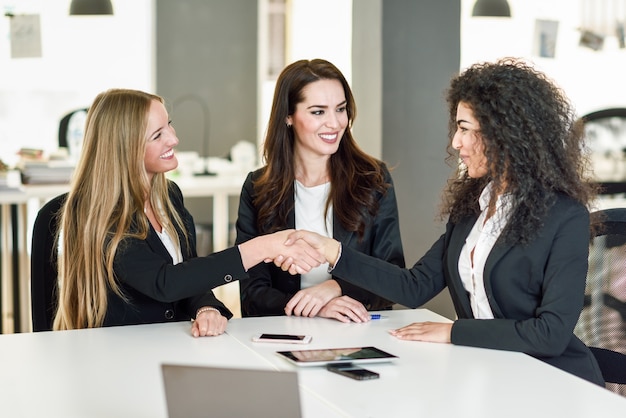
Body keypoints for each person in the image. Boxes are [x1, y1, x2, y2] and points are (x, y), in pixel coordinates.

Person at [281, 58, 605, 385]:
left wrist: (453, 331)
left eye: (464, 129)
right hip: (488, 371)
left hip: (554, 381)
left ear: (503, 134)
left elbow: (549, 334)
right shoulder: (472, 208)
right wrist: (334, 252)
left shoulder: (565, 217)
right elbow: (414, 287)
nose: (456, 143)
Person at [52, 88, 323, 337]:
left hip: (174, 345)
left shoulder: (168, 197)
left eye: (168, 124)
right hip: (123, 353)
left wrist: (206, 308)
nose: (174, 138)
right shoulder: (104, 215)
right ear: (125, 149)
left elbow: (189, 275)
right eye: (158, 135)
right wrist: (263, 247)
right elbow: (165, 282)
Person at [235, 59, 405, 322]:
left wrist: (333, 289)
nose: (335, 123)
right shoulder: (258, 188)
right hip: (287, 332)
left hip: (358, 331)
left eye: (340, 109)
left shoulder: (372, 179)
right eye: (318, 112)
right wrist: (313, 307)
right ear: (288, 116)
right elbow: (251, 293)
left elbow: (393, 277)